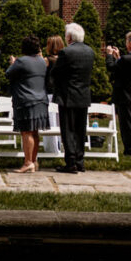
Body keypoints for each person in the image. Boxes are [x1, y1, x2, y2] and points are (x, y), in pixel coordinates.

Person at [50, 23, 94, 174]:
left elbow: (56, 72)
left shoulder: (66, 52)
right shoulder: (90, 51)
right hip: (83, 95)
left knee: (68, 130)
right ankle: (80, 161)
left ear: (69, 37)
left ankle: (70, 162)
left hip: (67, 95)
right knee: (80, 130)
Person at [6, 34, 50, 173]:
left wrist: (13, 63)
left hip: (26, 100)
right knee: (35, 132)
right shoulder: (43, 61)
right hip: (41, 100)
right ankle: (34, 161)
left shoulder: (22, 61)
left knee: (26, 132)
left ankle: (27, 162)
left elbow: (8, 74)